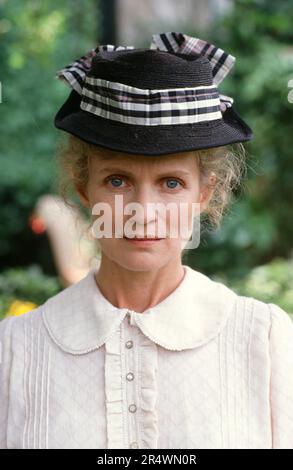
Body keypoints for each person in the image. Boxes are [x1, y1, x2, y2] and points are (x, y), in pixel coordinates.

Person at [1, 31, 292, 449]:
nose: (143, 210)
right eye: (117, 180)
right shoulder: (14, 352)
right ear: (85, 190)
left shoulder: (263, 341)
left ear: (203, 193)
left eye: (171, 182)